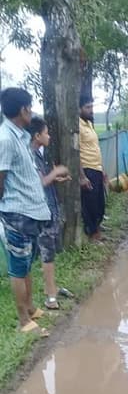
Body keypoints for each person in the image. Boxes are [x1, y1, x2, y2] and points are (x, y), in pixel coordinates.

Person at [0, 89, 65, 332]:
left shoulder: (19, 136)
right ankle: (23, 320)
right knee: (18, 267)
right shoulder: (5, 138)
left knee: (26, 263)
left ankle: (31, 308)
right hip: (16, 212)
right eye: (30, 107)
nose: (32, 111)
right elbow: (1, 176)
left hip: (31, 211)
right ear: (23, 110)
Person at [27, 116, 74, 310]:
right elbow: (39, 184)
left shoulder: (37, 154)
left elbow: (43, 180)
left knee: (48, 252)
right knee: (46, 253)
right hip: (41, 212)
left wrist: (55, 178)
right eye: (46, 132)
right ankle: (50, 296)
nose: (49, 135)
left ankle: (51, 289)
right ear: (37, 135)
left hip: (48, 208)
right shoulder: (30, 155)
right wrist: (56, 173)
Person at [78, 94, 106, 242]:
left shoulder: (88, 124)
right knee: (90, 205)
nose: (91, 110)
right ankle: (93, 236)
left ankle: (98, 231)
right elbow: (76, 152)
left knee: (100, 203)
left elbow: (95, 148)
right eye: (87, 107)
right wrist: (82, 176)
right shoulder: (77, 126)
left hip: (96, 169)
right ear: (79, 109)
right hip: (87, 169)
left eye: (91, 107)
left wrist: (102, 170)